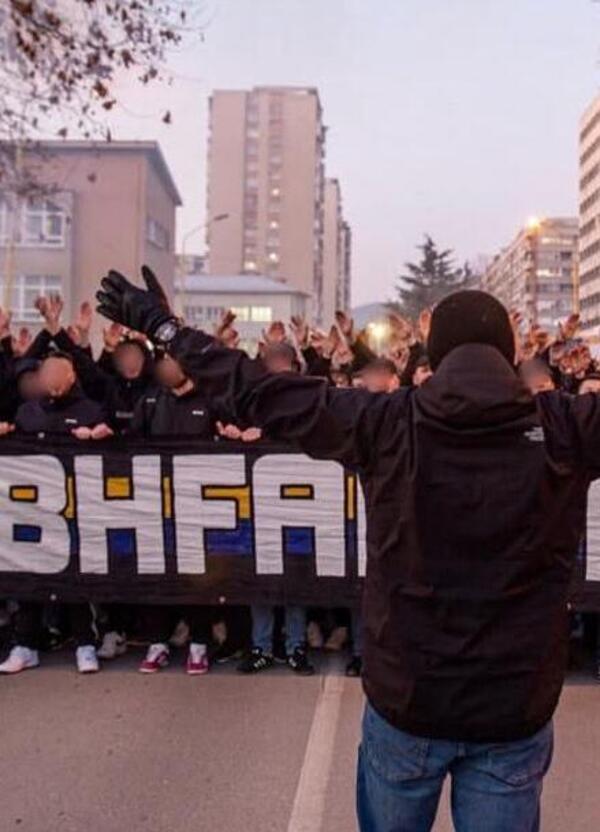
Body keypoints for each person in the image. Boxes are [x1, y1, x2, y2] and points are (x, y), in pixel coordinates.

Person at [98, 269, 600, 832]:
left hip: (409, 699)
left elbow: (256, 390)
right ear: (508, 357)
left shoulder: (385, 421)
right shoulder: (566, 426)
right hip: (514, 706)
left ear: (434, 356)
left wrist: (165, 328)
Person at [0, 351, 111, 674]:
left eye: (55, 372)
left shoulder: (90, 411)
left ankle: (85, 644)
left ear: (71, 376)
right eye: (44, 372)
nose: (48, 379)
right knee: (28, 581)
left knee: (75, 580)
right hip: (32, 514)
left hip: (76, 513)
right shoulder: (27, 412)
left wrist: (101, 439)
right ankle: (25, 646)